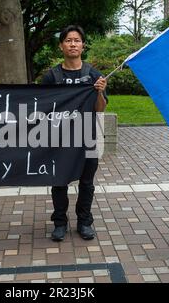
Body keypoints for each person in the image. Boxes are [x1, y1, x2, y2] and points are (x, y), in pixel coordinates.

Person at [42, 25, 107, 241]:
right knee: (59, 181)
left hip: (87, 138)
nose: (73, 44)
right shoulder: (52, 76)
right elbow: (43, 108)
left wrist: (98, 91)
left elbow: (100, 109)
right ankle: (60, 223)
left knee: (86, 183)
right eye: (68, 40)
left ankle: (84, 222)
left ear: (83, 45)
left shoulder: (93, 75)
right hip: (59, 139)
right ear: (61, 46)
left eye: (77, 40)